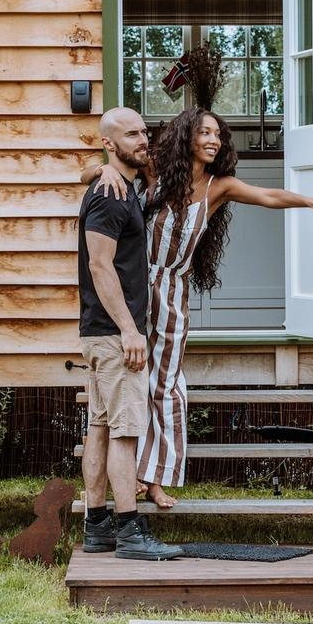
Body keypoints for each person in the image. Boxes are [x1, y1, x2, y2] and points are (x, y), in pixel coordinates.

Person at [83, 107, 313, 508]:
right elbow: (90, 169)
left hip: (170, 293)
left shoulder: (218, 187)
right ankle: (129, 475)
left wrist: (310, 200)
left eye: (218, 134)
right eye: (204, 132)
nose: (213, 139)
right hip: (132, 289)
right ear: (187, 137)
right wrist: (104, 171)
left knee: (164, 386)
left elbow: (269, 195)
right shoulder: (153, 170)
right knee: (133, 383)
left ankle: (152, 477)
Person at [76, 107, 182, 561]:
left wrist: (102, 167)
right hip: (114, 334)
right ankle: (129, 533)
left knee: (99, 427)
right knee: (124, 431)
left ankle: (97, 526)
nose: (143, 139)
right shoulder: (108, 194)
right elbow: (99, 264)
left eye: (144, 131)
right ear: (108, 143)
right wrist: (128, 329)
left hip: (102, 334)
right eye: (131, 134)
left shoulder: (120, 184)